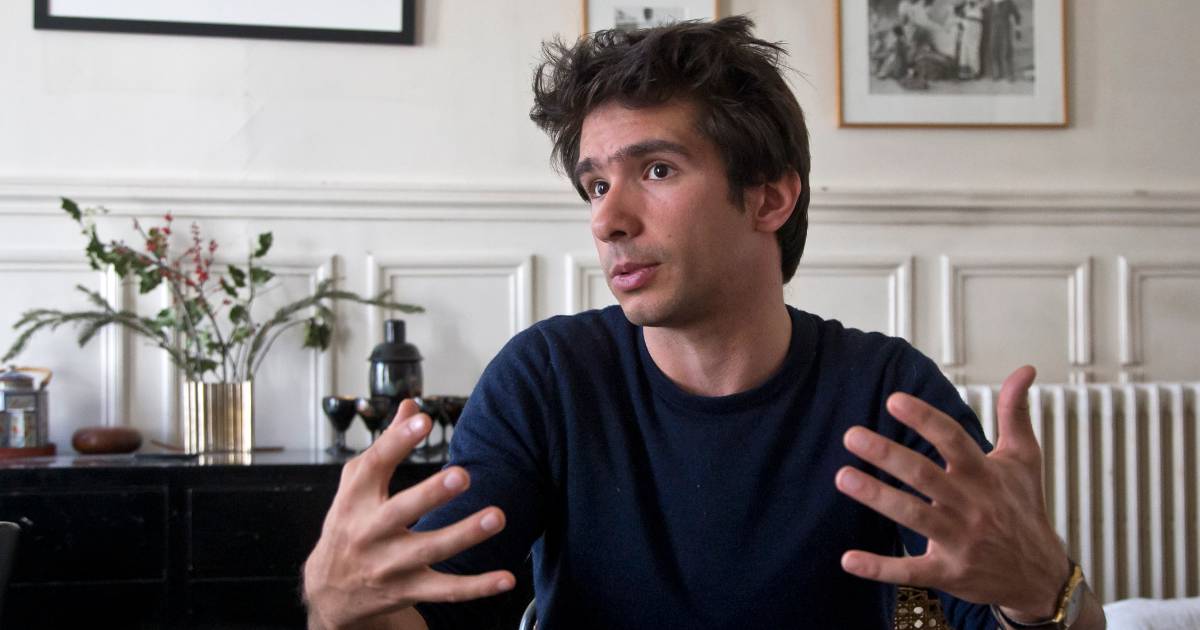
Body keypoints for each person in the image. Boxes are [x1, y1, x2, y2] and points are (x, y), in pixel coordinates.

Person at [301, 17, 1106, 630]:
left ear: (769, 197)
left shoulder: (886, 390)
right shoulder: (547, 379)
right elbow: (424, 617)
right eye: (594, 185)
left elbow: (1026, 609)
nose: (606, 220)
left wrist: (1044, 592)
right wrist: (339, 607)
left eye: (655, 170)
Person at [988, 0, 1023, 81]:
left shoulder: (1009, 2)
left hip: (1005, 27)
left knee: (1007, 49)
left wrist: (1018, 29)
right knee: (994, 49)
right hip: (994, 28)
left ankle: (1010, 74)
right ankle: (997, 73)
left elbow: (1017, 16)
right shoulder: (991, 3)